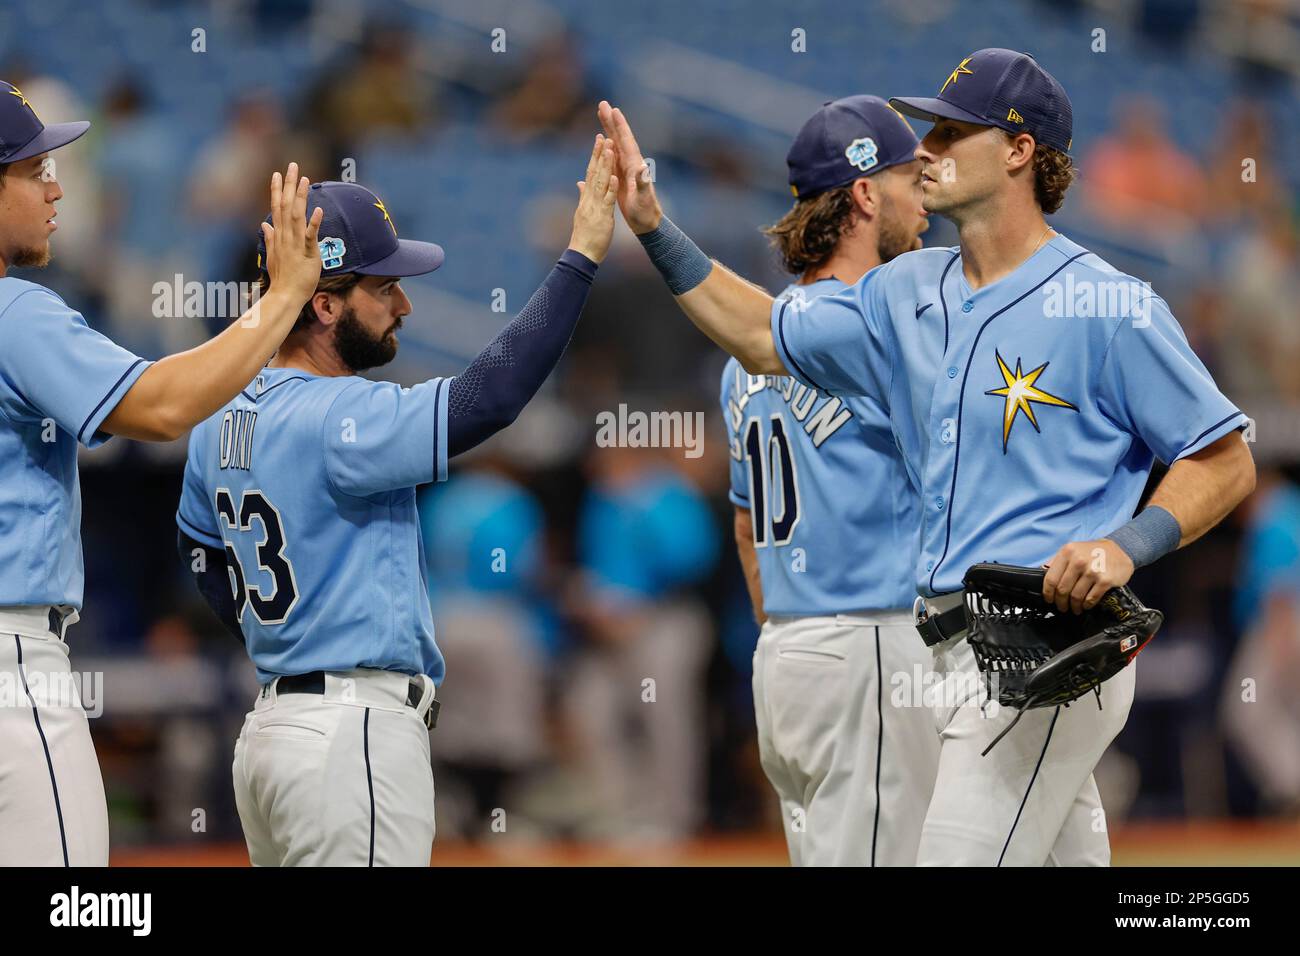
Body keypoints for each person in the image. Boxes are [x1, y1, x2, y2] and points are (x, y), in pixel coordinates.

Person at [597, 47, 1255, 865]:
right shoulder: (907, 288)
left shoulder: (1106, 304)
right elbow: (763, 335)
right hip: (942, 650)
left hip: (1048, 645)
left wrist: (1127, 545)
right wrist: (654, 227)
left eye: (950, 133)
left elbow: (1224, 458)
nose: (928, 149)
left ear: (1019, 151)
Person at [176, 135, 619, 866]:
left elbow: (202, 559)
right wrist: (581, 258)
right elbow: (489, 400)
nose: (404, 304)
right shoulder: (339, 414)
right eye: (384, 289)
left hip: (273, 737)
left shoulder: (218, 415)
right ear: (324, 304)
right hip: (351, 737)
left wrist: (288, 645)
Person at [0, 78, 324, 867]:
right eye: (34, 172)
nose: (57, 189)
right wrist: (284, 299)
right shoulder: (15, 311)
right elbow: (163, 407)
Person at [724, 95, 938, 865]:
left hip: (787, 651)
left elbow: (746, 524)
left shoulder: (745, 353)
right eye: (911, 178)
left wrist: (793, 631)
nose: (926, 199)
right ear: (866, 193)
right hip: (868, 645)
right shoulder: (878, 328)